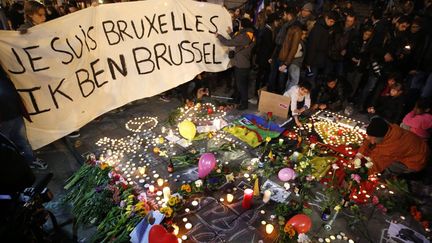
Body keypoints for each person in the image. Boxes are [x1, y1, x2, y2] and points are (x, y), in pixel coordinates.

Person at [0, 66, 47, 169]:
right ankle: (12, 168)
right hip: (3, 118)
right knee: (6, 145)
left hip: (14, 111)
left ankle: (30, 160)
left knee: (22, 139)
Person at [356, 117, 429, 175]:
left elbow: (376, 164)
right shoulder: (389, 129)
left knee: (390, 169)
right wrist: (359, 154)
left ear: (381, 137)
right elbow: (369, 139)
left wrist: (360, 173)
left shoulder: (392, 147)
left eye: (374, 139)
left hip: (417, 161)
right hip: (420, 146)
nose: (372, 142)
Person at [217, 18, 255, 110]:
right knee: (240, 85)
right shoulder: (250, 34)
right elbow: (238, 39)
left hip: (241, 65)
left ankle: (244, 104)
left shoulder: (244, 36)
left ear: (243, 26)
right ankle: (238, 100)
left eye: (241, 24)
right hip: (244, 64)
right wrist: (231, 33)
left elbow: (228, 42)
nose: (239, 26)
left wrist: (219, 36)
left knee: (242, 86)